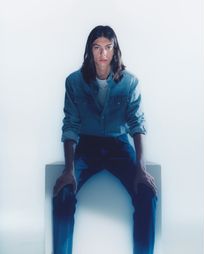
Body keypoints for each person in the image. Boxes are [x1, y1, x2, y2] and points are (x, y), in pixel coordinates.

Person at [52, 25, 157, 254]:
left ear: (114, 49)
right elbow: (70, 124)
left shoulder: (130, 82)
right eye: (97, 47)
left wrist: (140, 168)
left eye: (108, 47)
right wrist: (69, 168)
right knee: (63, 194)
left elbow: (137, 124)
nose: (103, 54)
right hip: (87, 146)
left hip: (118, 145)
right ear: (90, 50)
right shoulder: (74, 82)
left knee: (147, 195)